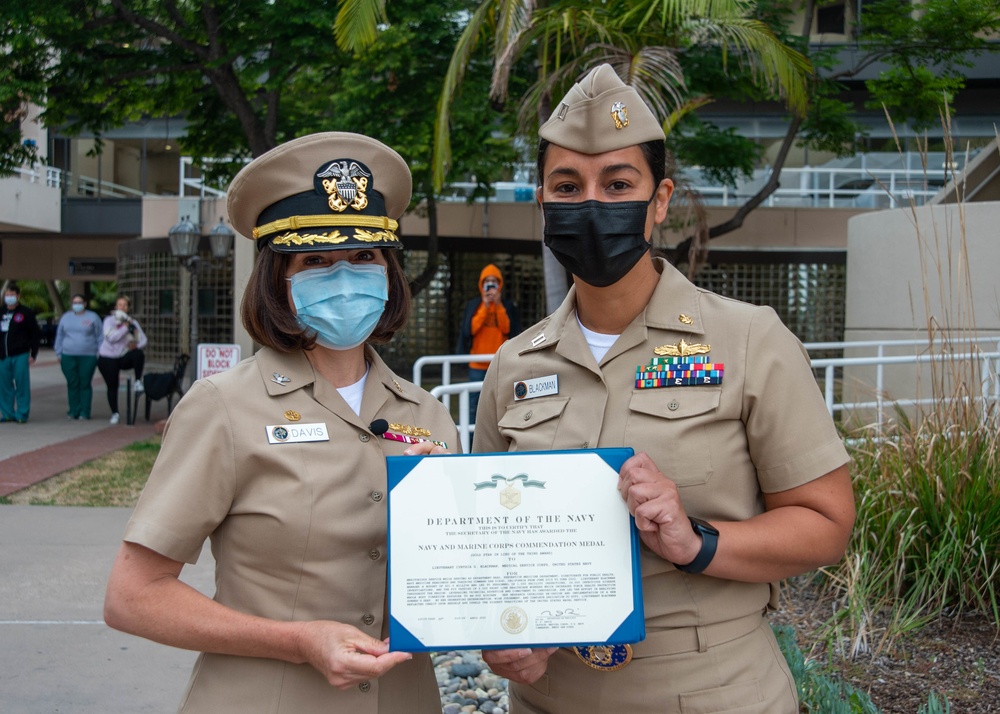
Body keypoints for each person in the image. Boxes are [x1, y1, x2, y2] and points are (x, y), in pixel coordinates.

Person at [473, 64, 856, 713]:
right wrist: (504, 632)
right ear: (542, 204)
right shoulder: (514, 364)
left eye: (617, 183)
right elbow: (496, 544)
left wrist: (697, 541)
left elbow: (825, 526)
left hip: (710, 690)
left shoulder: (748, 340)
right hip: (548, 697)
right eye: (568, 186)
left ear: (659, 200)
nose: (591, 203)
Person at [103, 131, 461, 714]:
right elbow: (132, 597)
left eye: (364, 257)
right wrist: (296, 641)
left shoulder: (427, 414)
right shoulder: (223, 406)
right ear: (279, 279)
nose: (345, 276)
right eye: (316, 260)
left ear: (389, 269)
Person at [455, 263, 521, 426]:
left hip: (500, 364)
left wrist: (498, 306)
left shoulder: (506, 305)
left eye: (494, 282)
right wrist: (484, 307)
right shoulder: (474, 305)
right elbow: (469, 330)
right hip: (477, 365)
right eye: (487, 281)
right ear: (481, 284)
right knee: (473, 406)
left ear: (500, 285)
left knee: (501, 404)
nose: (491, 285)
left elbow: (508, 328)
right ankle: (471, 445)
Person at [97, 295, 148, 424]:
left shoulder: (133, 322)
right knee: (113, 385)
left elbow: (143, 340)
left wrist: (135, 345)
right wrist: (125, 328)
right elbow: (111, 338)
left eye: (125, 305)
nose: (122, 307)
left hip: (122, 355)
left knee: (138, 354)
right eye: (120, 305)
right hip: (107, 357)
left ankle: (137, 381)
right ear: (116, 306)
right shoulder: (109, 321)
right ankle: (115, 413)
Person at [54, 294, 103, 420]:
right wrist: (58, 352)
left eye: (79, 302)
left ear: (85, 304)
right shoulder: (66, 317)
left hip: (88, 355)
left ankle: (85, 412)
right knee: (72, 383)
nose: (77, 305)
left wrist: (99, 353)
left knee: (85, 383)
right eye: (74, 302)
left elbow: (100, 336)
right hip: (68, 355)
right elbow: (60, 335)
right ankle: (73, 411)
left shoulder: (93, 317)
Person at [1, 283, 42, 423]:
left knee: (22, 384)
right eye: (7, 295)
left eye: (12, 295)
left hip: (20, 354)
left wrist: (33, 353)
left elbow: (35, 334)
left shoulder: (26, 313)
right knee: (4, 385)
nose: (9, 297)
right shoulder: (1, 312)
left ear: (18, 296)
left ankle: (22, 413)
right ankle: (7, 413)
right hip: (3, 356)